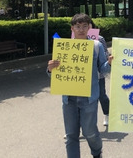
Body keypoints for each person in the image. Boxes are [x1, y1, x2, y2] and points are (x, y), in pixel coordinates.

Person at [47, 13, 113, 158]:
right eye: (77, 26)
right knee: (71, 135)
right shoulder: (64, 47)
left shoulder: (96, 46)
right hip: (68, 99)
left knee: (90, 133)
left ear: (89, 27)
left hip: (89, 98)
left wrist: (109, 63)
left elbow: (102, 69)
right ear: (72, 28)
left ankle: (96, 153)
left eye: (84, 26)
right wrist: (50, 68)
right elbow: (56, 74)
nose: (81, 29)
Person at [90, 20, 110, 127]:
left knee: (101, 95)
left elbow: (105, 55)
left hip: (98, 75)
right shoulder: (74, 40)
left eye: (87, 26)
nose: (84, 29)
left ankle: (107, 114)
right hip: (83, 77)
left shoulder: (99, 40)